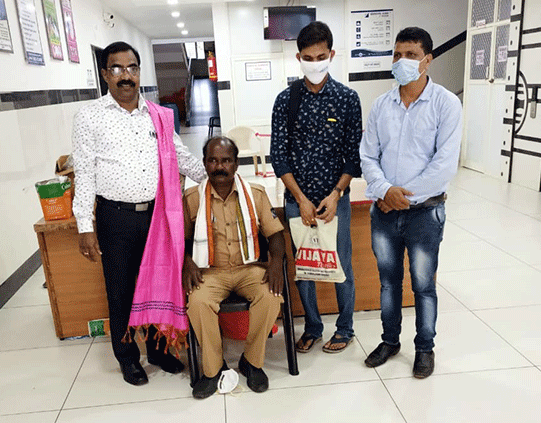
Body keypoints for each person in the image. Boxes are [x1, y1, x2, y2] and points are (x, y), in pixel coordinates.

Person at [72, 41, 205, 386]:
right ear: (105, 74)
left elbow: (180, 156)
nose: (126, 75)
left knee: (159, 283)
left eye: (132, 67)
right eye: (117, 68)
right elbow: (84, 172)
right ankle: (128, 358)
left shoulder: (158, 115)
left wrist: (216, 175)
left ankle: (158, 351)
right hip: (115, 218)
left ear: (139, 72)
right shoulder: (89, 116)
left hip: (157, 218)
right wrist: (85, 225)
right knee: (120, 291)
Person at [359, 27, 462, 378]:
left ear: (427, 60)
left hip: (425, 212)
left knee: (423, 285)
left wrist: (398, 196)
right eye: (397, 54)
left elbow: (443, 165)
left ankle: (424, 348)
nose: (402, 61)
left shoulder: (446, 104)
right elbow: (368, 156)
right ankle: (390, 341)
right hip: (384, 212)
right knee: (388, 284)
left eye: (411, 55)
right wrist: (384, 190)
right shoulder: (381, 106)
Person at [270, 21, 362, 353]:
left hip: (335, 200)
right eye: (308, 58)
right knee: (305, 267)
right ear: (299, 58)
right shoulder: (286, 100)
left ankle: (345, 328)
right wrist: (300, 199)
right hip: (298, 202)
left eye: (321, 57)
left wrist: (336, 195)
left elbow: (353, 158)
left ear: (331, 54)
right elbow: (279, 156)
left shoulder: (347, 99)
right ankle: (312, 327)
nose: (315, 63)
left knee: (341, 265)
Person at [183, 136, 285, 399]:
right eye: (213, 160)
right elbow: (181, 240)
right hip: (210, 271)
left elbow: (275, 234)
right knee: (198, 302)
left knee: (270, 296)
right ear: (205, 163)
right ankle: (213, 370)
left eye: (226, 160)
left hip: (248, 268)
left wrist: (276, 264)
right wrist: (187, 261)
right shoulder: (192, 198)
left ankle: (251, 362)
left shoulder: (255, 193)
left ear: (236, 163)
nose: (220, 166)